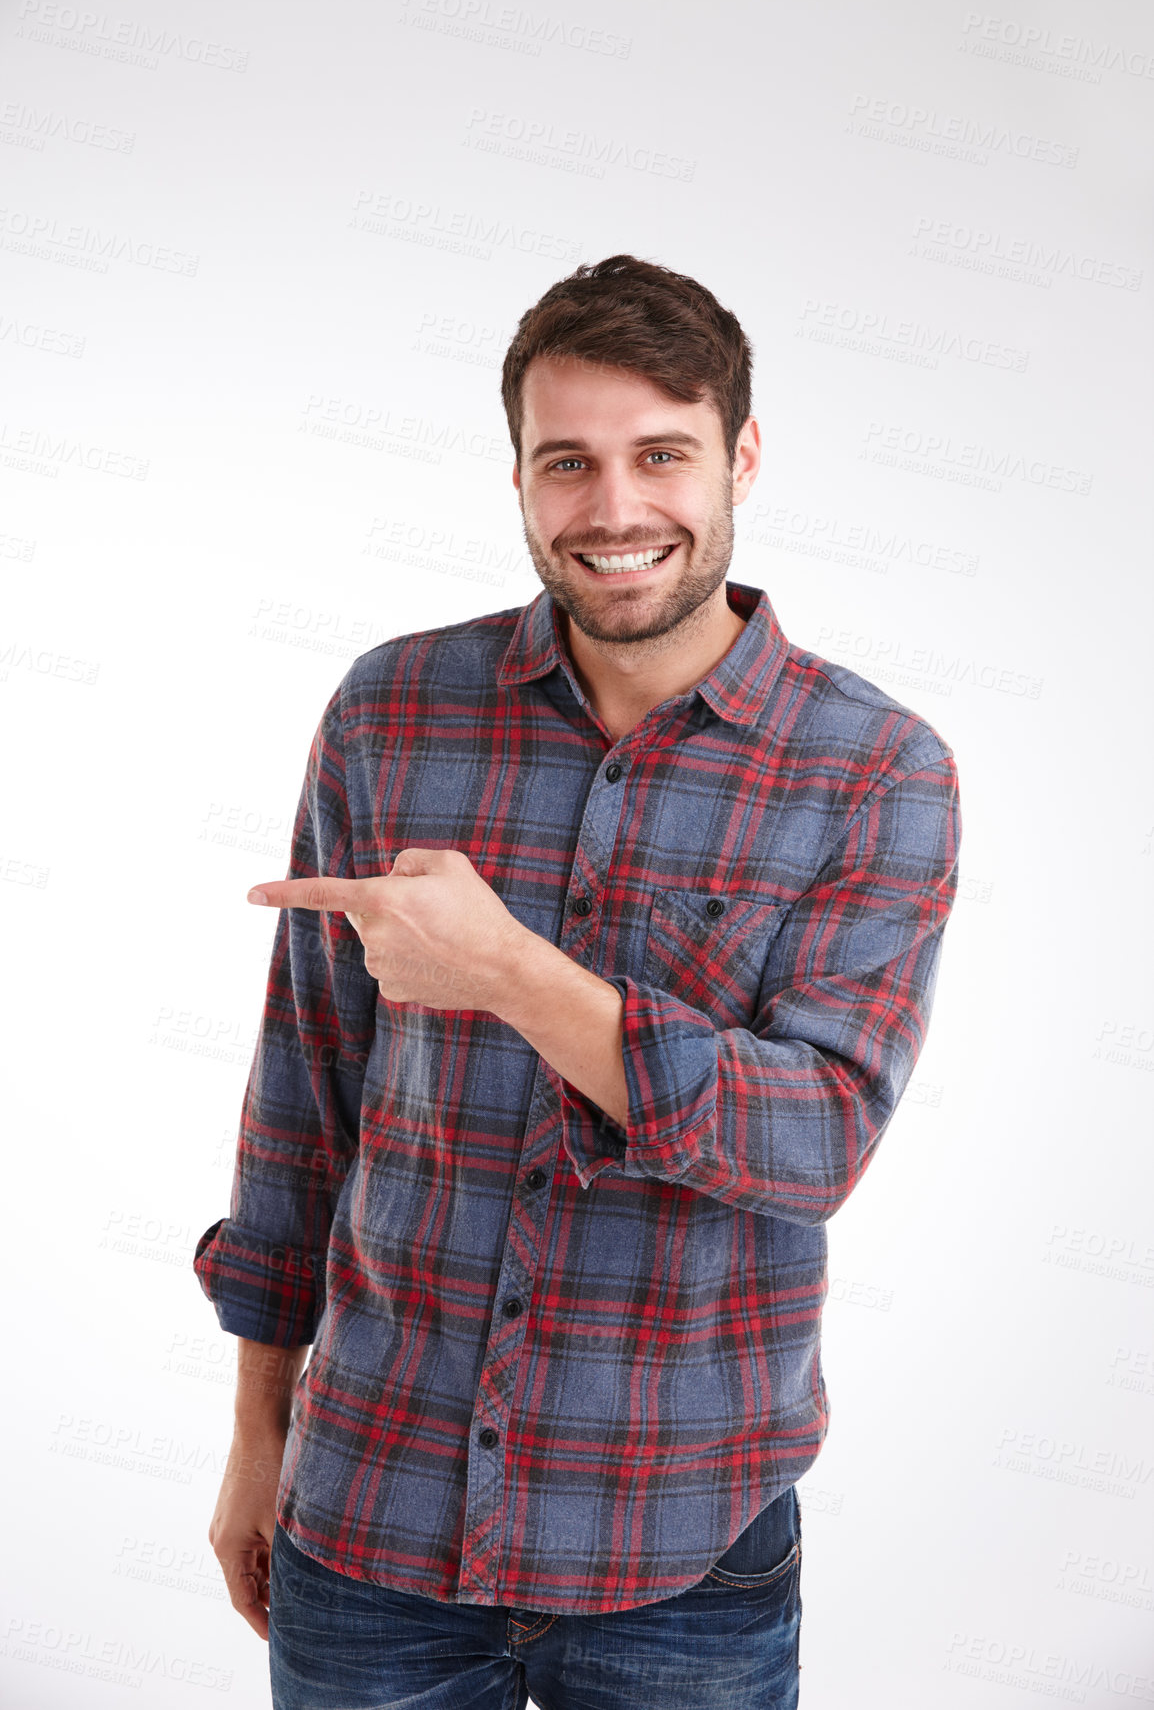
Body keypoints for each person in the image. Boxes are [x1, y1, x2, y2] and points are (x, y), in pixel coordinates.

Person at [194, 254, 962, 1709]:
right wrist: (254, 1439)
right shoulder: (390, 711)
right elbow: (301, 1104)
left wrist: (506, 971)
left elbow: (814, 1136)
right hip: (370, 1512)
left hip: (683, 1542)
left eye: (660, 454)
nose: (614, 511)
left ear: (739, 456)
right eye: (568, 464)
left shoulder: (874, 769)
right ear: (520, 481)